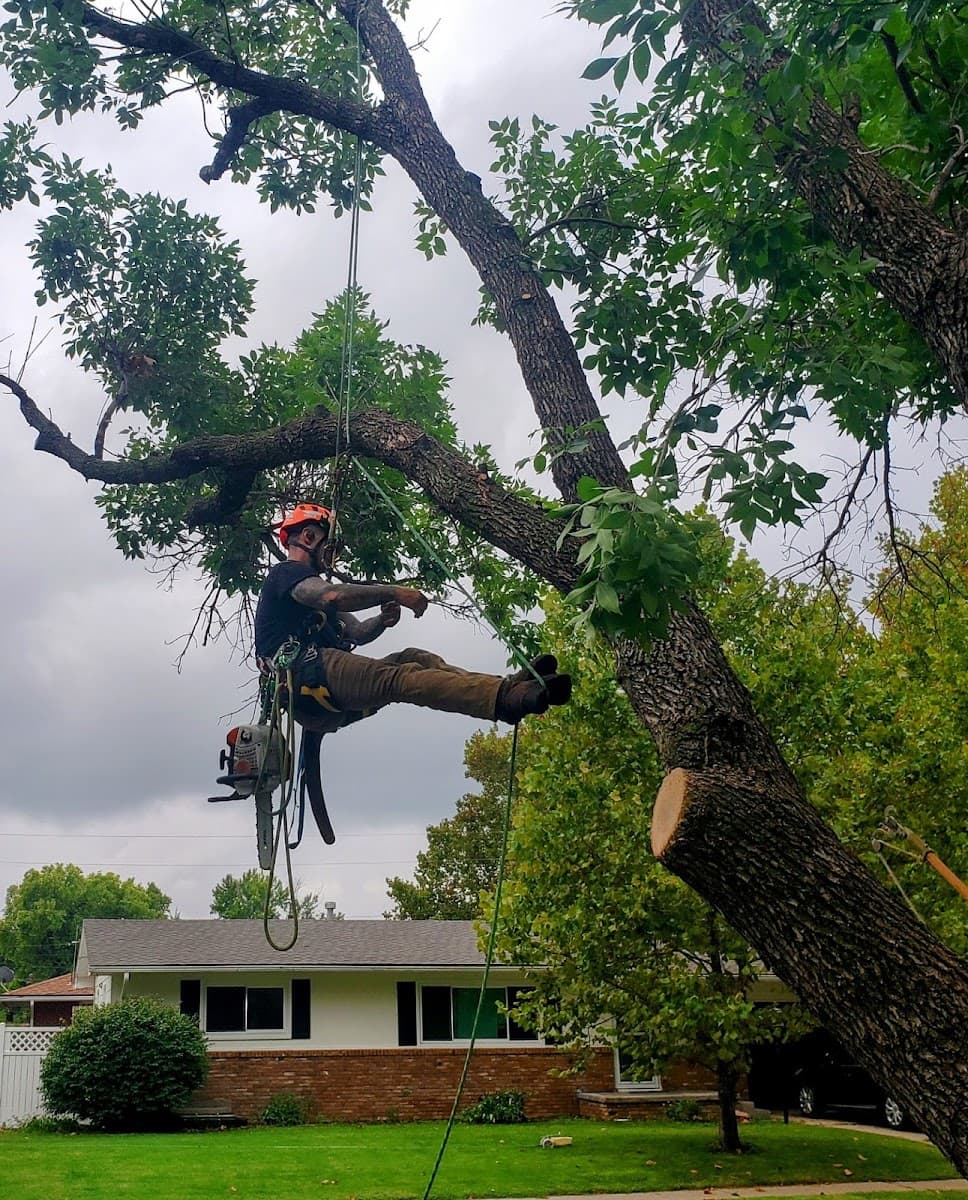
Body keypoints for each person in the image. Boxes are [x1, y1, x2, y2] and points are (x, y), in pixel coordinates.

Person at [254, 503, 572, 733]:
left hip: (321, 695)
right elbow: (332, 597)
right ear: (308, 537)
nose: (333, 557)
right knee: (400, 679)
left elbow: (359, 633)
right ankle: (503, 700)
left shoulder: (313, 595)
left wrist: (382, 620)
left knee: (412, 658)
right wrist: (394, 592)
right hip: (306, 676)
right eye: (330, 547)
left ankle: (497, 687)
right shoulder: (287, 574)